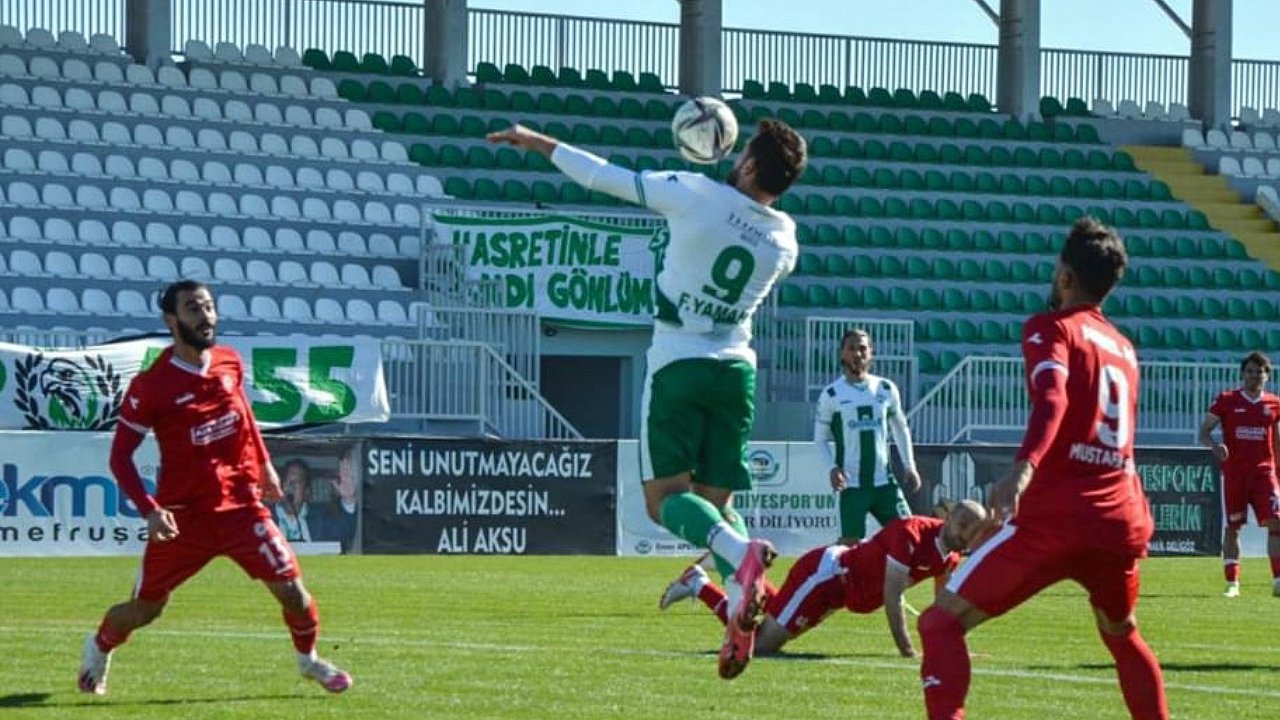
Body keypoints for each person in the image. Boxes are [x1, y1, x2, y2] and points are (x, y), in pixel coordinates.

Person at [489, 117, 807, 678]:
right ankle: (735, 603)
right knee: (716, 507)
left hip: (679, 360)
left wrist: (538, 142)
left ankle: (741, 556)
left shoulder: (694, 193)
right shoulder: (785, 240)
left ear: (749, 164)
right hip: (736, 372)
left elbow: (603, 177)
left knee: (665, 502)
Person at [917, 217, 1168, 720]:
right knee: (1122, 634)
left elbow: (1053, 398)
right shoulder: (1125, 349)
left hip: (1057, 517)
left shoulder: (1052, 328)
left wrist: (1024, 467)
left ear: (1065, 276)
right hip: (1118, 519)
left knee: (939, 623)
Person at [77, 280, 353, 696]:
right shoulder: (152, 386)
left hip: (241, 507)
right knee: (146, 609)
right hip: (184, 519)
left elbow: (244, 416)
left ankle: (309, 661)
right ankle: (99, 647)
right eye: (193, 308)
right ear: (171, 320)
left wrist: (264, 465)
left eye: (208, 306)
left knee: (292, 591)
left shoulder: (229, 361)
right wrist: (150, 509)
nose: (205, 316)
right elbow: (120, 458)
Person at [659, 502, 989, 675]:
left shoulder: (951, 556)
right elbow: (893, 596)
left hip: (838, 593)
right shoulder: (912, 533)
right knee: (760, 645)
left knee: (766, 628)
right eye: (962, 524)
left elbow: (944, 608)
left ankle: (729, 577)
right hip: (826, 576)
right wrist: (907, 651)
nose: (965, 534)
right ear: (949, 518)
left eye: (972, 531)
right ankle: (699, 584)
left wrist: (949, 648)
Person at [815, 328, 921, 543]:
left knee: (909, 537)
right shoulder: (831, 394)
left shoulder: (885, 388)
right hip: (852, 485)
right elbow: (820, 438)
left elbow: (900, 428)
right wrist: (832, 468)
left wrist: (909, 465)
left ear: (871, 352)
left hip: (884, 482)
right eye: (851, 348)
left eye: (863, 348)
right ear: (842, 353)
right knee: (849, 546)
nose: (857, 354)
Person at [1198, 351, 1280, 598]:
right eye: (1250, 372)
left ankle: (1278, 580)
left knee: (1276, 523)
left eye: (1259, 372)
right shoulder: (1227, 400)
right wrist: (1215, 447)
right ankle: (1232, 583)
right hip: (1235, 474)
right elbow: (1204, 432)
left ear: (1267, 376)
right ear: (1243, 374)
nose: (1254, 376)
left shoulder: (1274, 403)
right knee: (1233, 527)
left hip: (1264, 473)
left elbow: (1277, 440)